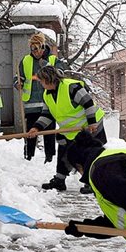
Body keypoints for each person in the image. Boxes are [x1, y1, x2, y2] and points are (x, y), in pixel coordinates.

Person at [27, 65, 106, 193]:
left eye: (41, 81)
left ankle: (93, 182)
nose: (40, 83)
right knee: (64, 151)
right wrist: (36, 128)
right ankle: (59, 180)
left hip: (90, 127)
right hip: (71, 130)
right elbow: (47, 115)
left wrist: (92, 123)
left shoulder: (71, 87)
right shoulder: (47, 95)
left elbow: (88, 103)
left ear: (48, 79)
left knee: (88, 155)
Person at [15, 32, 65, 163]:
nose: (36, 52)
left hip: (48, 102)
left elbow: (60, 74)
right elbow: (19, 76)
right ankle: (28, 155)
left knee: (49, 131)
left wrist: (47, 66)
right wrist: (18, 82)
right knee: (31, 131)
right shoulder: (26, 60)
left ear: (43, 47)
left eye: (38, 48)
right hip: (31, 103)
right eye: (33, 49)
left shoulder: (53, 60)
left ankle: (49, 157)